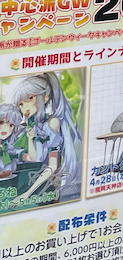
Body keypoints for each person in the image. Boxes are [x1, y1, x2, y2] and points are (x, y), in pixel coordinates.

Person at [10, 72, 82, 201]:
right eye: (20, 104)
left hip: (44, 186)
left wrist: (27, 193)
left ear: (45, 98)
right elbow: (30, 157)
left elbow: (52, 166)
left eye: (30, 98)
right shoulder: (29, 126)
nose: (24, 107)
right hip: (24, 179)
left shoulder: (52, 124)